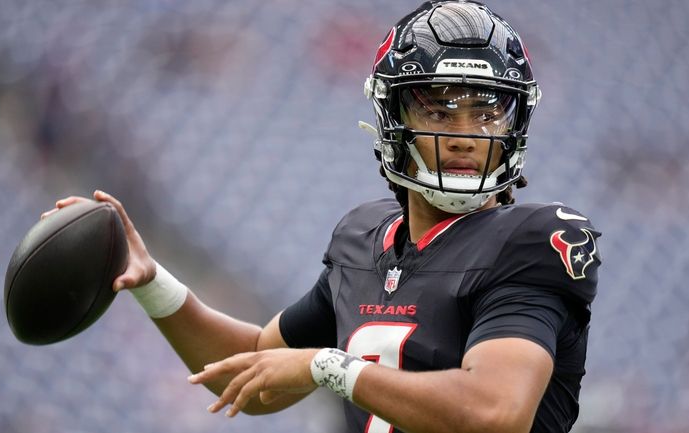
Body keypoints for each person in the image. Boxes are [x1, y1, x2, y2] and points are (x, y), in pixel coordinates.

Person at [43, 1, 601, 432]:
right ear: (391, 117)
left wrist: (329, 368)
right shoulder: (364, 237)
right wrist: (152, 281)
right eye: (437, 108)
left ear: (514, 125)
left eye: (485, 112)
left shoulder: (533, 239)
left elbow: (494, 413)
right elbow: (259, 374)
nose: (464, 136)